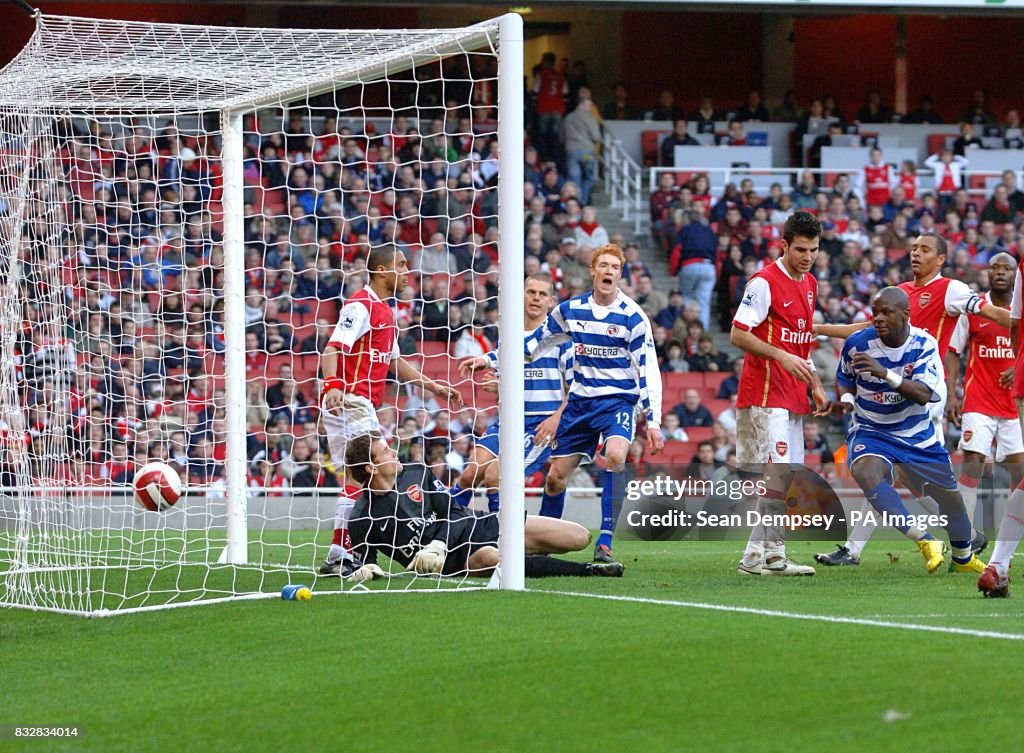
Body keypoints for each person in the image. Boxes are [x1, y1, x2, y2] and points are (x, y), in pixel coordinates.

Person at [816, 233, 1008, 567]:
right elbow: (865, 327)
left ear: (942, 258)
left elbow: (990, 312)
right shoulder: (902, 293)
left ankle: (954, 536)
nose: (916, 253)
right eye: (914, 248)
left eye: (925, 249)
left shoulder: (951, 288)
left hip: (923, 391)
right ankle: (962, 535)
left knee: (904, 472)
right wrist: (820, 328)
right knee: (889, 472)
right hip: (895, 389)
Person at [318, 244, 462, 576]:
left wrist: (434, 386)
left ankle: (340, 553)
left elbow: (395, 363)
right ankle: (346, 553)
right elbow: (332, 349)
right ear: (382, 271)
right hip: (353, 400)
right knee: (368, 475)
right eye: (400, 265)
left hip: (354, 401)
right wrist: (333, 385)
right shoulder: (361, 305)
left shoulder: (384, 311)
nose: (406, 272)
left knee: (354, 480)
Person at [520, 244, 664, 564]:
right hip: (581, 403)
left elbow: (648, 370)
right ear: (593, 271)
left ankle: (606, 541)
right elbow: (538, 341)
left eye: (615, 267)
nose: (609, 271)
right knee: (556, 477)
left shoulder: (633, 317)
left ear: (620, 274)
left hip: (618, 402)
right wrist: (495, 361)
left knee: (615, 455)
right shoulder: (571, 310)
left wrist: (653, 422)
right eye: (604, 266)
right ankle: (543, 544)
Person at [831, 287, 984, 574]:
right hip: (872, 430)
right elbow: (846, 379)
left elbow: (923, 393)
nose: (878, 318)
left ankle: (963, 557)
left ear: (905, 315)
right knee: (865, 472)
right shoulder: (856, 344)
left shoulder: (923, 344)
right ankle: (925, 540)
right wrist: (847, 402)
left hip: (916, 434)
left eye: (886, 312)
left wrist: (885, 373)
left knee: (951, 501)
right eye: (875, 312)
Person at [343, 433, 624, 582]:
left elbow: (452, 510)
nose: (395, 452)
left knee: (578, 537)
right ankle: (586, 570)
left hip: (478, 524)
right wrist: (367, 569)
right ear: (371, 466)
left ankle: (527, 551)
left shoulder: (417, 472)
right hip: (454, 560)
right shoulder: (361, 517)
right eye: (386, 451)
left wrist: (437, 542)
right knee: (493, 558)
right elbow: (368, 562)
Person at [732, 211, 831, 576]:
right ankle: (773, 556)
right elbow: (738, 334)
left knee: (785, 476)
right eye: (801, 249)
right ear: (784, 245)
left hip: (793, 393)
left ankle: (753, 558)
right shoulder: (763, 282)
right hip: (766, 392)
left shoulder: (810, 283)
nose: (807, 257)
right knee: (776, 473)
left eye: (814, 250)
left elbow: (801, 345)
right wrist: (780, 355)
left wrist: (816, 384)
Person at [457, 274, 573, 512]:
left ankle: (502, 539)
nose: (536, 298)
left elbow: (577, 389)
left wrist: (556, 419)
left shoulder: (561, 339)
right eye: (531, 292)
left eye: (542, 294)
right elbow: (504, 362)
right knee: (471, 474)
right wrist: (483, 363)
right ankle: (444, 529)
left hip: (541, 425)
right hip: (508, 420)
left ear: (551, 302)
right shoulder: (509, 332)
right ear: (522, 295)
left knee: (494, 475)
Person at [946, 255, 1024, 561]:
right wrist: (953, 393)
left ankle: (1008, 544)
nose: (1000, 273)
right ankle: (962, 541)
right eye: (995, 268)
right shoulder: (975, 308)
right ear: (987, 273)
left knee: (1019, 474)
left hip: (1014, 406)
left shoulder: (1018, 313)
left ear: (1015, 275)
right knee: (973, 461)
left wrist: (1018, 369)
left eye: (1006, 268)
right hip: (978, 400)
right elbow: (954, 351)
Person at [561, 87, 602, 206]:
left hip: (571, 151)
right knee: (589, 178)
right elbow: (596, 136)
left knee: (574, 179)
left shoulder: (567, 118)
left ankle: (574, 205)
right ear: (583, 105)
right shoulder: (589, 118)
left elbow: (561, 137)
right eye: (589, 106)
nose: (590, 108)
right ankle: (582, 203)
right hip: (586, 152)